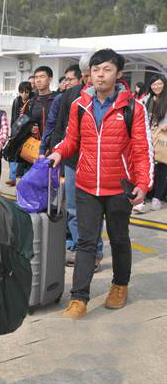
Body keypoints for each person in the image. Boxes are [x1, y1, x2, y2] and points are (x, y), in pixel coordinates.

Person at [49, 49, 153, 319]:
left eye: (106, 69)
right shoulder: (79, 105)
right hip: (86, 185)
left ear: (118, 74)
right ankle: (79, 299)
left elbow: (142, 149)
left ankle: (120, 285)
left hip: (120, 187)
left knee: (119, 239)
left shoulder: (133, 107)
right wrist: (59, 152)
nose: (100, 75)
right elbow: (72, 139)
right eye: (95, 70)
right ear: (89, 74)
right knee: (85, 242)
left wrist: (143, 183)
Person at [49, 55, 104, 269]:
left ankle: (95, 252)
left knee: (94, 211)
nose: (93, 79)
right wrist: (56, 153)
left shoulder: (110, 98)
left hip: (98, 164)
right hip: (73, 161)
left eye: (98, 72)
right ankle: (81, 249)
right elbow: (61, 128)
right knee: (72, 208)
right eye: (89, 74)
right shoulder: (70, 95)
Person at [139, 73, 167, 212]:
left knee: (161, 167)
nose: (157, 86)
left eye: (159, 83)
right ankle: (142, 198)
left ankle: (157, 197)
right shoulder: (146, 99)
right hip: (148, 136)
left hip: (162, 138)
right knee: (146, 166)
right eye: (154, 84)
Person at [24, 66, 58, 155]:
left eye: (42, 77)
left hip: (55, 147)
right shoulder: (31, 102)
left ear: (50, 79)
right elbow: (26, 125)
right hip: (36, 147)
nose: (38, 80)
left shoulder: (57, 99)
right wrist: (30, 128)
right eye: (36, 77)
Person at [6, 81, 34, 186]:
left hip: (27, 132)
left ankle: (25, 180)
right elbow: (13, 117)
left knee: (26, 156)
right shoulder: (16, 101)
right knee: (12, 154)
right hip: (17, 131)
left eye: (26, 92)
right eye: (22, 92)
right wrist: (12, 131)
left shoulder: (33, 101)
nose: (24, 95)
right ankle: (12, 178)